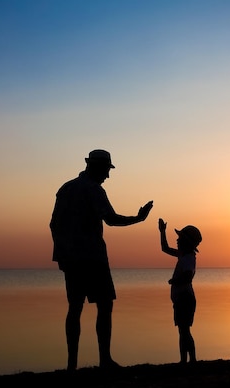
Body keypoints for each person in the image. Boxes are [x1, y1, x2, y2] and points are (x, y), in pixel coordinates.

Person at [50, 149, 154, 371]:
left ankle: (72, 365)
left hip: (71, 258)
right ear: (97, 167)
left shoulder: (65, 188)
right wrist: (139, 218)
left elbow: (54, 224)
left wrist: (60, 254)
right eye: (107, 170)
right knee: (105, 306)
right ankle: (104, 359)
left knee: (74, 308)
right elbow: (111, 220)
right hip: (93, 258)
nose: (108, 175)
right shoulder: (94, 190)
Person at [158, 217, 202, 364]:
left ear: (186, 242)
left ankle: (191, 360)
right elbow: (164, 248)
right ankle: (184, 360)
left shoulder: (189, 258)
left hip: (185, 299)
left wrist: (174, 281)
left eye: (180, 238)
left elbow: (188, 276)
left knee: (184, 331)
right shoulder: (183, 255)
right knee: (183, 331)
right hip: (181, 299)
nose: (177, 240)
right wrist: (162, 232)